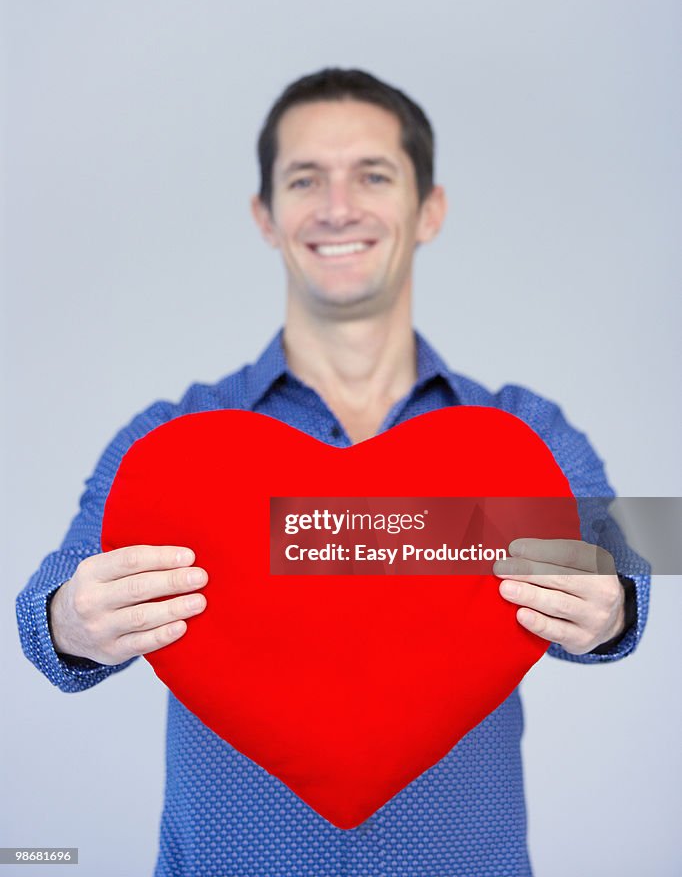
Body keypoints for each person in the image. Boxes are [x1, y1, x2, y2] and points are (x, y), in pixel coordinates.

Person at [16, 68, 650, 877]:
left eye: (373, 175)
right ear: (265, 216)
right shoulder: (173, 443)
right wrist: (72, 622)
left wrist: (614, 604)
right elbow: (48, 608)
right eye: (304, 178)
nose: (337, 206)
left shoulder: (524, 434)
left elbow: (630, 558)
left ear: (430, 211)